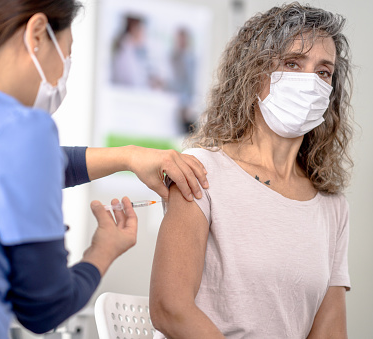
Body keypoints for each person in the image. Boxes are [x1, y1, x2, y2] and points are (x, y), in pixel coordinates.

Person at [0, 0, 208, 338]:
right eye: (67, 54)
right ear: (37, 33)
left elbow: (26, 168)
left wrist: (128, 157)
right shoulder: (21, 129)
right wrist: (102, 251)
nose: (62, 71)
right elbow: (44, 308)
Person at [150, 3, 353, 338]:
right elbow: (169, 308)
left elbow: (330, 330)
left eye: (323, 72)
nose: (310, 82)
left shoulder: (332, 206)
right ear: (255, 74)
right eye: (292, 63)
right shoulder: (200, 170)